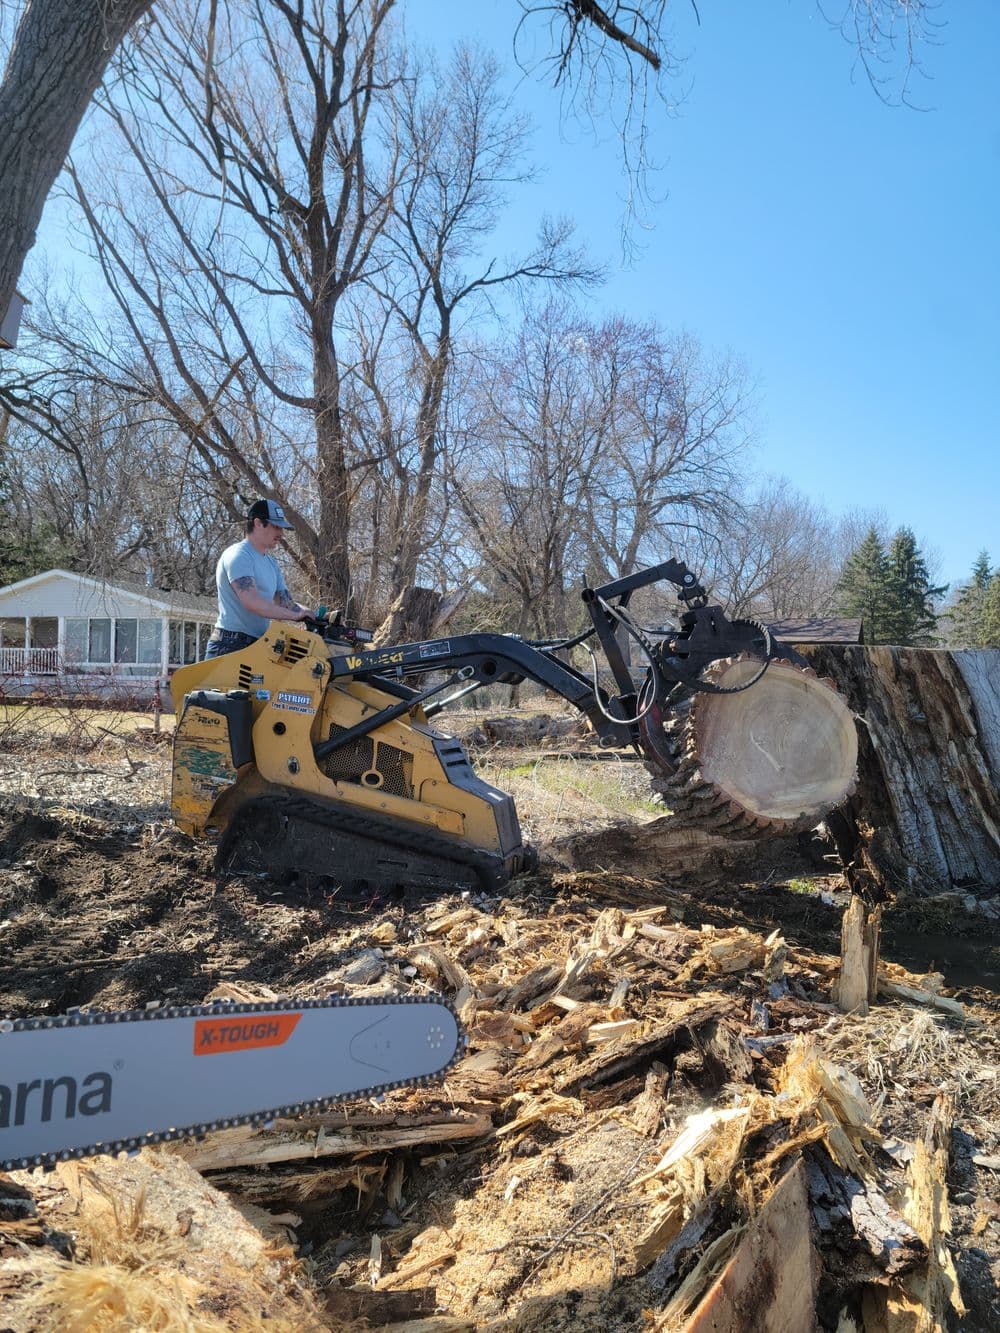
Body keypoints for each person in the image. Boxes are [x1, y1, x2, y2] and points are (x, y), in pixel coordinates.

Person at [205, 498, 310, 658]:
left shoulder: (271, 563)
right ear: (258, 523)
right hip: (229, 645)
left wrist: (317, 616)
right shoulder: (239, 555)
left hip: (259, 644)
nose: (281, 534)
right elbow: (253, 602)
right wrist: (296, 616)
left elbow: (286, 604)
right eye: (276, 526)